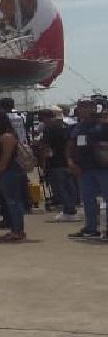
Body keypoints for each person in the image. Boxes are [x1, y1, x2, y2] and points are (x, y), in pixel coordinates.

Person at [0, 109, 27, 243]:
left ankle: (18, 231)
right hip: (5, 171)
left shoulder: (7, 136)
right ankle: (15, 229)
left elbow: (5, 158)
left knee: (13, 201)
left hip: (10, 171)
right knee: (9, 201)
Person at [67, 99, 108, 241]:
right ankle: (91, 228)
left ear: (93, 108)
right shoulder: (77, 127)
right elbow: (71, 145)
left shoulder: (102, 124)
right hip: (84, 169)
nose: (82, 110)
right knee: (88, 200)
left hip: (103, 167)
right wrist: (71, 162)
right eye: (80, 107)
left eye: (85, 106)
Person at [38, 107, 78, 222]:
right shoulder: (64, 125)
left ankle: (69, 211)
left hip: (55, 161)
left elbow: (46, 148)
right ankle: (71, 208)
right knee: (69, 186)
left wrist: (43, 163)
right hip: (67, 160)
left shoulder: (48, 128)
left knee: (59, 188)